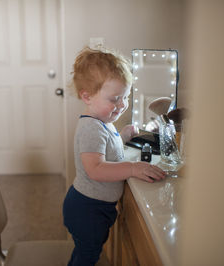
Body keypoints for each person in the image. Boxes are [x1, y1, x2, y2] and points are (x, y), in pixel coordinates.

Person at [63, 47, 166, 266]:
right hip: (87, 208)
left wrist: (123, 135)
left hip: (95, 206)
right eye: (115, 99)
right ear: (87, 96)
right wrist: (132, 168)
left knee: (86, 251)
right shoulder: (91, 128)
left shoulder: (103, 123)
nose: (122, 105)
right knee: (88, 255)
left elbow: (107, 148)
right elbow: (96, 168)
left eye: (126, 97)